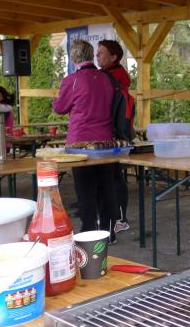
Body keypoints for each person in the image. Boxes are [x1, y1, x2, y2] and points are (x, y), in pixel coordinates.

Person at [53, 39, 120, 243]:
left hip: (80, 142)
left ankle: (89, 232)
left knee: (85, 190)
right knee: (106, 187)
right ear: (91, 55)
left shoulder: (72, 80)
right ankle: (109, 232)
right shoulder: (106, 78)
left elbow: (59, 108)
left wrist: (56, 98)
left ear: (73, 57)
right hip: (105, 141)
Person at [96, 39, 131, 234]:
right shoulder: (114, 76)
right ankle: (115, 218)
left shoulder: (111, 78)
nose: (97, 55)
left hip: (112, 136)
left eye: (101, 52)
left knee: (113, 178)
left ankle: (118, 219)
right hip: (114, 135)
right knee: (111, 177)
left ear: (114, 57)